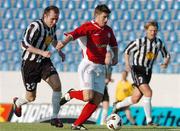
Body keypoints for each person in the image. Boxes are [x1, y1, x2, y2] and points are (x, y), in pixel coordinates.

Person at [57, 4, 118, 130]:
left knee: (97, 100)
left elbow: (114, 44)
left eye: (108, 17)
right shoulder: (88, 27)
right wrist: (63, 43)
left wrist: (115, 56)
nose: (106, 20)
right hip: (88, 66)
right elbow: (73, 35)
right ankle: (71, 94)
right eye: (104, 17)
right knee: (87, 97)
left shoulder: (108, 30)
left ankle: (76, 125)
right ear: (96, 15)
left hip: (101, 68)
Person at [13, 6, 65, 127]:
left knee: (57, 86)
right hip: (29, 65)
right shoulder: (35, 26)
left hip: (44, 62)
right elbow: (24, 44)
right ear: (45, 16)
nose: (55, 22)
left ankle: (55, 118)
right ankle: (18, 102)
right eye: (52, 19)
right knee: (31, 98)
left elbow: (52, 40)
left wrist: (60, 51)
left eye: (57, 19)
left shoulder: (53, 28)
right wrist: (42, 52)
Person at [113, 20, 170, 125]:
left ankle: (117, 106)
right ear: (146, 30)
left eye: (155, 30)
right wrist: (127, 63)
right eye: (151, 30)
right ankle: (149, 121)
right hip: (137, 69)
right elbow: (127, 51)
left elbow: (166, 55)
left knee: (135, 99)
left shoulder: (159, 43)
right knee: (148, 92)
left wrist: (165, 63)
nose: (153, 32)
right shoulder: (139, 42)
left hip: (148, 72)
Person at [100, 49, 114, 125]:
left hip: (104, 88)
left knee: (106, 104)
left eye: (110, 57)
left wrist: (109, 80)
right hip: (98, 88)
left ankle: (103, 122)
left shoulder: (110, 67)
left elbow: (107, 78)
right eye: (108, 57)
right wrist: (103, 80)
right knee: (93, 105)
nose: (109, 58)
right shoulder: (101, 66)